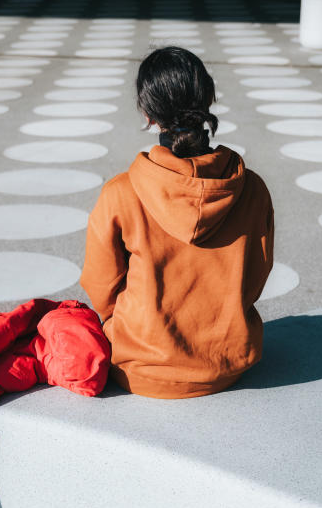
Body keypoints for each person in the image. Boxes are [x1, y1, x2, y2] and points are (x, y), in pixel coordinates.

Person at [80, 46, 275, 399]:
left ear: (148, 114)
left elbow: (101, 288)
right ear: (208, 100)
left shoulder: (120, 193)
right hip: (229, 364)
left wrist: (128, 325)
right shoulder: (253, 189)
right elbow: (256, 275)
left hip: (141, 367)